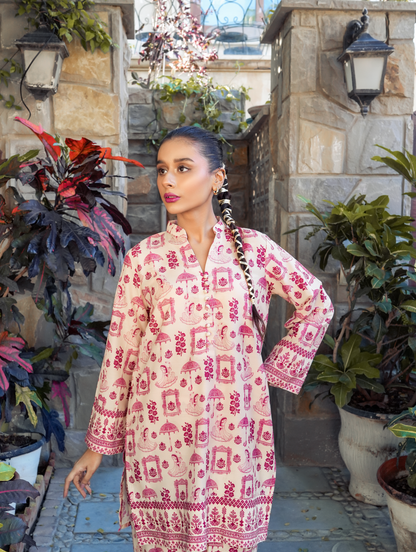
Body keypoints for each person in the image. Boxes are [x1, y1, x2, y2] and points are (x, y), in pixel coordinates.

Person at [63, 126, 334, 552]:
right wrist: (97, 447)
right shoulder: (144, 259)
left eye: (183, 168)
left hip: (234, 435)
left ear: (217, 178)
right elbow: (121, 356)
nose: (168, 181)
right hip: (159, 437)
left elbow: (316, 302)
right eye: (162, 170)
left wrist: (270, 373)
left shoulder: (255, 250)